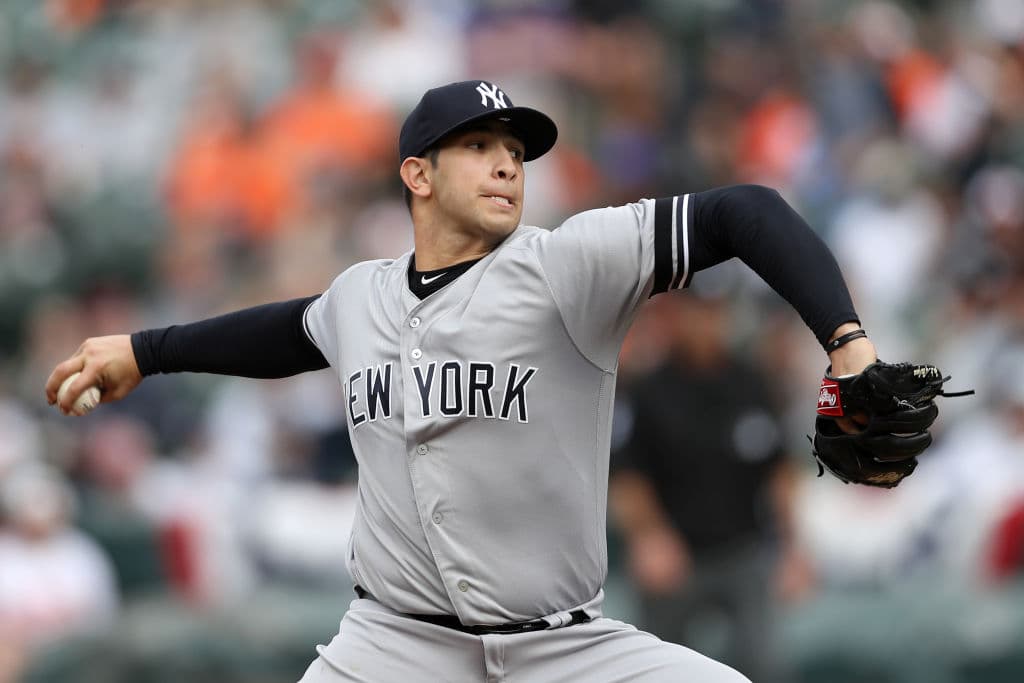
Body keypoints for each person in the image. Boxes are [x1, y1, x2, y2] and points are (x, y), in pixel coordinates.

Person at [48, 80, 878, 682]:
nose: (506, 165)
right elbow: (281, 332)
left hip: (562, 648)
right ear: (418, 174)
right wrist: (145, 349)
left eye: (515, 152)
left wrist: (845, 342)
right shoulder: (360, 296)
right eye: (479, 146)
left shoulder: (567, 266)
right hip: (390, 646)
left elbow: (745, 211)